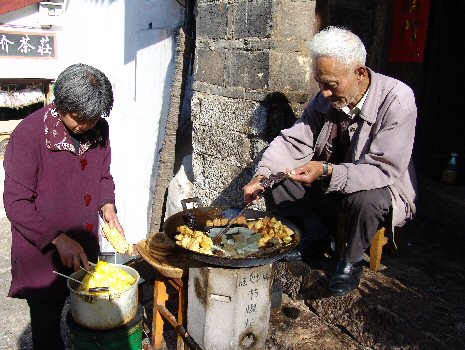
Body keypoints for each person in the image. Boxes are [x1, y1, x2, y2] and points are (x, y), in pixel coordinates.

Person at [243, 26, 417, 297]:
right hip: (329, 182)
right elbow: (294, 141)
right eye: (319, 83)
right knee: (277, 177)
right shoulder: (326, 98)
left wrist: (326, 170)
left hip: (377, 185)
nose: (323, 92)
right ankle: (316, 234)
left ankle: (351, 259)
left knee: (366, 199)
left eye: (331, 84)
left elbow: (383, 168)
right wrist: (261, 176)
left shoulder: (398, 99)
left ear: (359, 73)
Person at [3, 63, 124, 349]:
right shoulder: (29, 135)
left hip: (83, 248)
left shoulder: (99, 130)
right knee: (46, 328)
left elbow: (103, 175)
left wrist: (108, 205)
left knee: (86, 319)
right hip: (42, 253)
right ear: (60, 105)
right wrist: (58, 239)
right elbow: (16, 203)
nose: (86, 126)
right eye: (79, 118)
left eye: (93, 118)